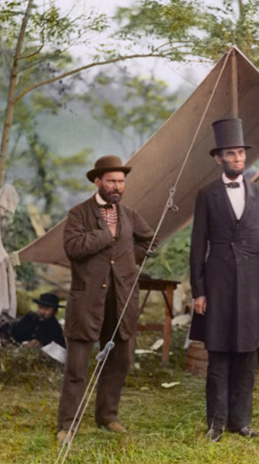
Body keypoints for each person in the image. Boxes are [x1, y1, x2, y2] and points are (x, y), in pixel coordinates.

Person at [57, 155, 156, 443]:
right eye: (111, 181)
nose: (117, 186)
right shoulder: (79, 213)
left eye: (121, 181)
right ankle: (68, 424)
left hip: (121, 300)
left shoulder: (130, 214)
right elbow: (72, 248)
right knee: (77, 366)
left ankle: (107, 416)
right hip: (87, 302)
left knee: (119, 361)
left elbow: (149, 240)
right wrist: (106, 235)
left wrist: (128, 260)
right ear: (97, 182)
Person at [189, 118, 259, 443]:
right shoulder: (206, 195)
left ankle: (241, 421)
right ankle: (216, 423)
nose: (238, 158)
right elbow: (198, 246)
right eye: (231, 153)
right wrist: (199, 291)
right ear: (219, 158)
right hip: (218, 285)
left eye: (241, 153)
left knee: (247, 356)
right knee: (219, 355)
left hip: (252, 286)